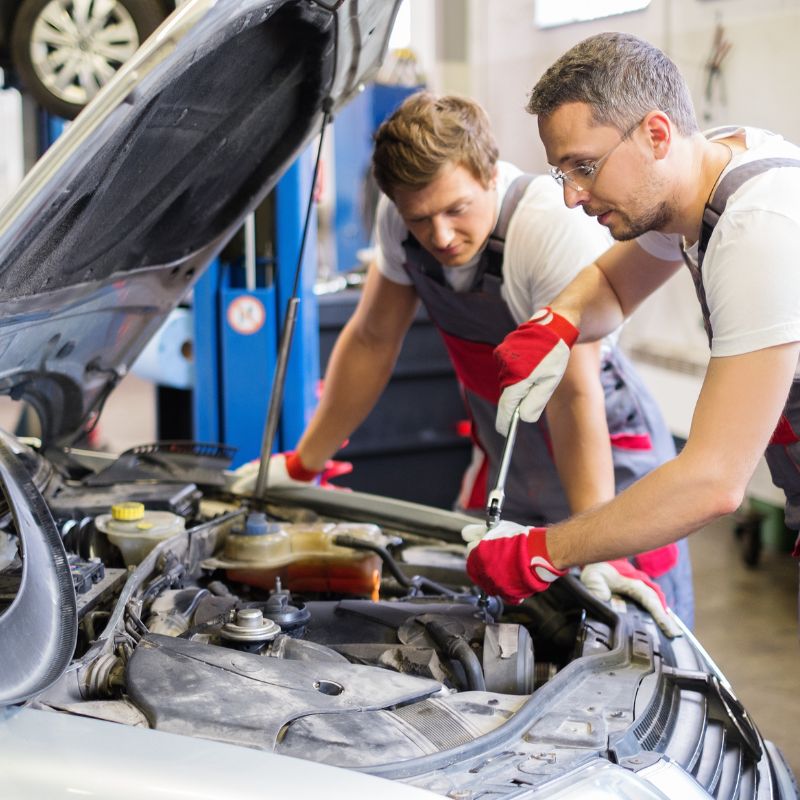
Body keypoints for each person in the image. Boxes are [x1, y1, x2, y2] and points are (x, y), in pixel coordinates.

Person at [233, 91, 692, 632]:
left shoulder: (545, 230)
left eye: (457, 210)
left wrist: (597, 542)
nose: (441, 236)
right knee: (483, 613)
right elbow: (373, 339)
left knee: (632, 628)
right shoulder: (402, 221)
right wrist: (305, 463)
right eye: (421, 218)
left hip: (604, 451)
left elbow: (573, 394)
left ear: (490, 174)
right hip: (507, 450)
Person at [465, 32, 800, 627]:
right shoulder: (704, 172)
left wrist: (544, 552)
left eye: (584, 167)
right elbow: (616, 288)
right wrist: (556, 322)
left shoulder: (757, 228)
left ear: (656, 133)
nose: (571, 197)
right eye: (560, 171)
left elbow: (714, 481)